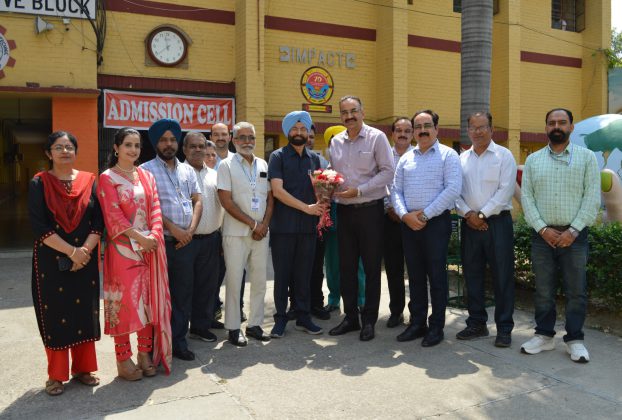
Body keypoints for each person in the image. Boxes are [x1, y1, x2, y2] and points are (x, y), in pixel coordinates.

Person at [520, 108, 600, 363]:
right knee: (543, 290)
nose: (557, 126)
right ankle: (544, 336)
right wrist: (542, 229)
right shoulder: (533, 160)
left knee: (576, 291)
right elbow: (527, 198)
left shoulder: (587, 158)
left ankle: (575, 340)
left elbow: (592, 197)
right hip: (541, 236)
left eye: (562, 122)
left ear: (571, 127)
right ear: (546, 127)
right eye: (552, 122)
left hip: (575, 236)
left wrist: (573, 230)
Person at [28, 131, 103, 396]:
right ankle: (56, 375)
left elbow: (98, 222)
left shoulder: (89, 180)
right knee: (56, 314)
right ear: (48, 153)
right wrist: (72, 252)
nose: (64, 151)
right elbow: (39, 225)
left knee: (83, 311)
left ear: (75, 152)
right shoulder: (39, 182)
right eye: (58, 147)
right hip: (51, 259)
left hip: (86, 258)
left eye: (69, 147)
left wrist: (84, 251)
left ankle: (84, 369)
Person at [98, 127, 172, 380]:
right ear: (116, 148)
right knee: (124, 304)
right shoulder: (107, 178)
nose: (133, 150)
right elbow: (113, 216)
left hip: (149, 250)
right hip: (123, 252)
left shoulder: (146, 176)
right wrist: (141, 238)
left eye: (137, 145)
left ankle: (144, 354)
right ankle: (123, 359)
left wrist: (155, 236)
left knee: (147, 303)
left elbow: (156, 208)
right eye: (127, 145)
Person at [392, 109, 462, 347]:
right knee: (415, 276)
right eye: (418, 127)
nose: (422, 131)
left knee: (437, 276)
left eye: (427, 126)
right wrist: (404, 215)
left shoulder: (448, 155)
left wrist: (424, 215)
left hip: (435, 224)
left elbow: (452, 189)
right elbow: (396, 191)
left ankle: (436, 327)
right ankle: (417, 323)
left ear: (436, 129)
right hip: (409, 224)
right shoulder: (406, 158)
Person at [328, 95, 395, 341]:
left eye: (353, 111)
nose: (349, 116)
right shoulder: (335, 141)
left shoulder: (377, 137)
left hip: (370, 211)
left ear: (362, 112)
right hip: (344, 212)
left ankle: (369, 320)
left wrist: (359, 191)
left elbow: (388, 172)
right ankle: (350, 318)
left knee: (371, 268)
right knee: (346, 267)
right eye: (344, 112)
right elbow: (333, 174)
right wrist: (325, 184)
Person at [140, 119, 203, 362]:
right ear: (155, 143)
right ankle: (156, 344)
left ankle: (178, 342)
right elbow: (149, 208)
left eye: (173, 139)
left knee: (183, 295)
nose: (169, 144)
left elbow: (198, 200)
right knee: (157, 296)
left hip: (186, 243)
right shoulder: (145, 171)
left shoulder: (188, 170)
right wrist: (174, 229)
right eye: (163, 140)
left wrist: (190, 230)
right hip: (160, 244)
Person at [454, 112, 517, 347]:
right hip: (469, 224)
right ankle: (477, 324)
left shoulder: (504, 155)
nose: (478, 131)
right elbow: (454, 192)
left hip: (497, 224)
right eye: (474, 127)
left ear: (491, 129)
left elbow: (505, 191)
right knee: (472, 275)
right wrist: (469, 215)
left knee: (502, 277)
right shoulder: (461, 159)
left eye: (483, 127)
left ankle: (504, 329)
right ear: (468, 130)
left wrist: (481, 215)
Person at [269, 111, 326, 337]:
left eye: (303, 129)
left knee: (304, 275)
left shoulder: (315, 159)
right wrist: (307, 208)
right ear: (288, 131)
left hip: (308, 229)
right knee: (282, 276)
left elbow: (320, 189)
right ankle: (280, 319)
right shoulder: (278, 156)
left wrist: (323, 204)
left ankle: (303, 317)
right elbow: (277, 191)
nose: (299, 132)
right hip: (283, 228)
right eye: (295, 128)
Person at [217, 122, 274, 346]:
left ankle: (255, 325)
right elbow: (226, 201)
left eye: (251, 137)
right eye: (242, 137)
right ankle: (233, 327)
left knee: (260, 280)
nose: (247, 142)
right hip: (236, 233)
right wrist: (253, 224)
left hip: (261, 233)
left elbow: (270, 198)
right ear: (234, 140)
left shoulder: (263, 164)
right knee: (234, 281)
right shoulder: (226, 165)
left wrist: (264, 225)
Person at [182, 131, 225, 342]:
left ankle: (201, 325)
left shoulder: (215, 175)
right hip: (185, 241)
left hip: (211, 239)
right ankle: (180, 331)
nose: (198, 150)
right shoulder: (179, 173)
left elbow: (223, 207)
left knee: (208, 286)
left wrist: (223, 237)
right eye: (193, 146)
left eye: (201, 146)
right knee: (184, 287)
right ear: (184, 149)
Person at [322, 126, 367, 314]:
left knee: (358, 262)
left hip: (355, 217)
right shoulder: (325, 170)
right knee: (332, 262)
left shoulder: (360, 166)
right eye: (332, 142)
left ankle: (361, 300)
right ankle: (334, 299)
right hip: (333, 219)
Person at [384, 117, 414, 328]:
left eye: (407, 130)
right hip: (390, 220)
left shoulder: (418, 155)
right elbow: (380, 184)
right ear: (392, 134)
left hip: (414, 221)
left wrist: (407, 213)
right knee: (393, 269)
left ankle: (417, 313)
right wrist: (389, 208)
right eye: (399, 130)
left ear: (412, 134)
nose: (403, 134)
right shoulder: (384, 156)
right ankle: (396, 312)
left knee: (415, 270)